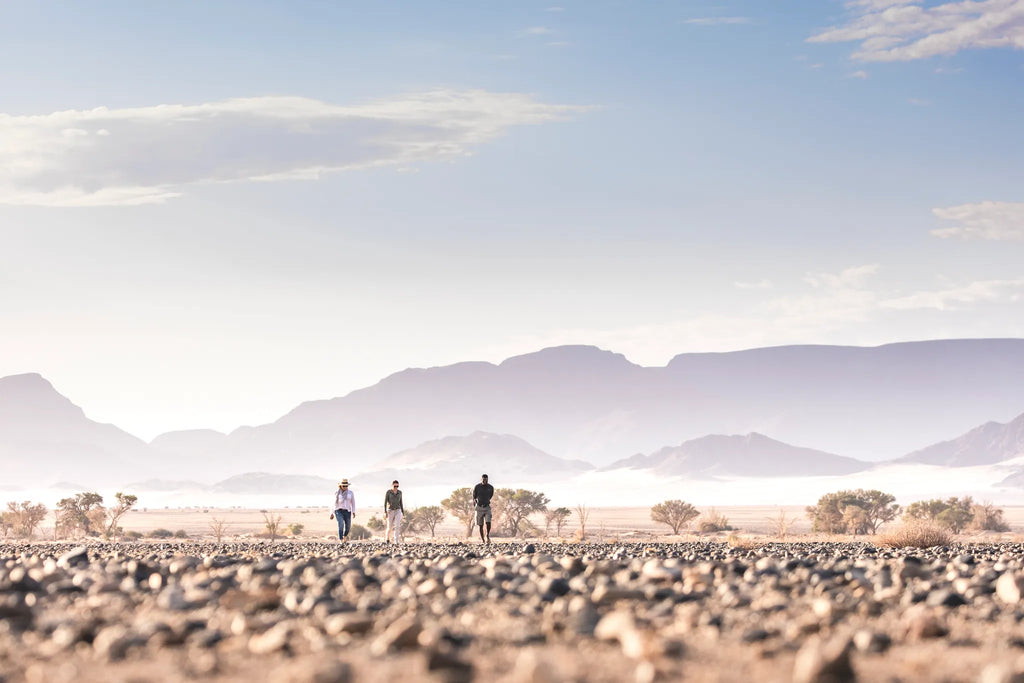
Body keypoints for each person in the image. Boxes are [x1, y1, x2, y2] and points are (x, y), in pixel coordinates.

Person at [473, 473, 494, 544]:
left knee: (488, 522)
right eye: (483, 480)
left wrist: (486, 501)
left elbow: (490, 496)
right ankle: (483, 540)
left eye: (486, 480)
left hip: (487, 507)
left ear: (487, 479)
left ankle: (487, 535)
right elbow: (474, 497)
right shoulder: (477, 487)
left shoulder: (490, 487)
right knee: (480, 525)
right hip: (479, 507)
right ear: (481, 479)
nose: (485, 481)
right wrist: (475, 504)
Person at [384, 480, 404, 544]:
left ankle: (396, 541)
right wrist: (385, 512)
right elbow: (385, 502)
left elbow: (401, 502)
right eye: (395, 486)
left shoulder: (400, 492)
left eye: (397, 486)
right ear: (392, 485)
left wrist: (402, 511)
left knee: (397, 526)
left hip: (398, 510)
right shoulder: (388, 492)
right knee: (390, 527)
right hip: (390, 510)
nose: (396, 487)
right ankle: (387, 538)